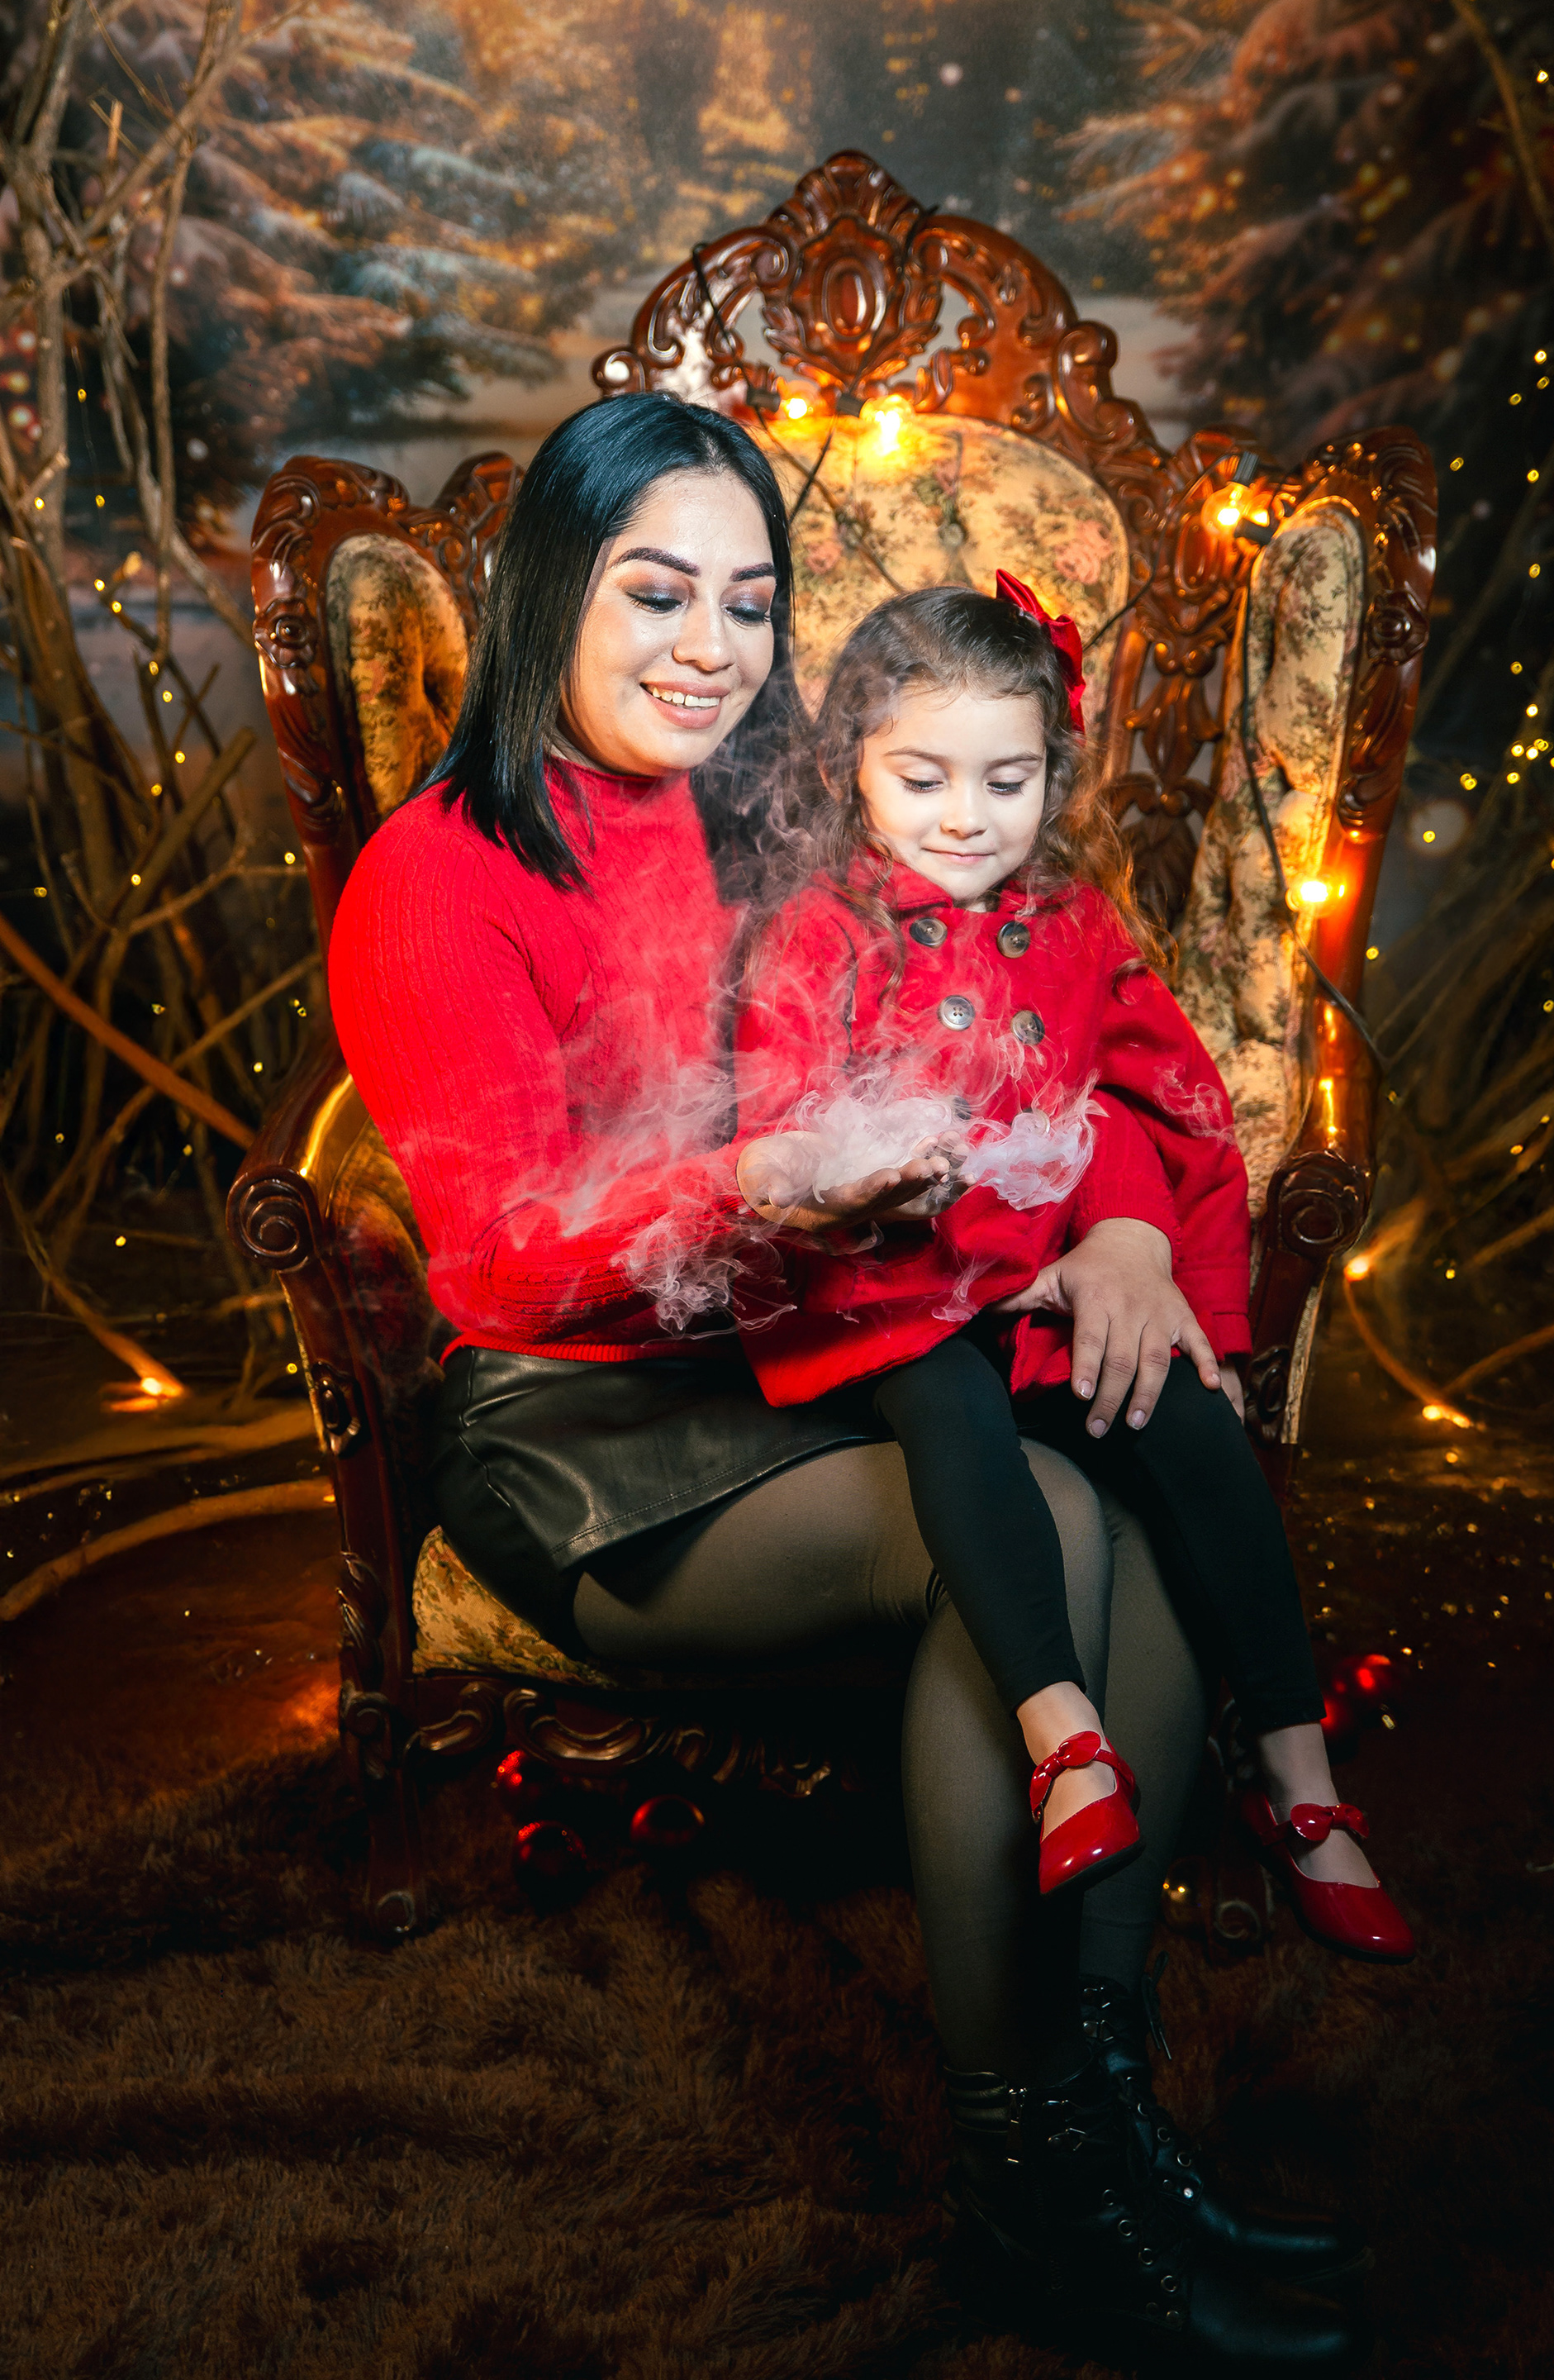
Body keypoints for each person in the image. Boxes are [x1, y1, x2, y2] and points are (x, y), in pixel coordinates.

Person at [327, 391, 1369, 2370]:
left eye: (748, 600)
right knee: (1037, 1520)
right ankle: (1026, 2196)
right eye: (656, 592)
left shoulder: (782, 815)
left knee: (1133, 1463)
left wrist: (1129, 1230)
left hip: (809, 1345)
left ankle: (1103, 2115)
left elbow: (1043, 1018)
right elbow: (498, 1255)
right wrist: (751, 1184)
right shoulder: (437, 873)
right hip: (579, 1421)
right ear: (549, 587)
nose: (709, 646)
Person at [731, 582, 1414, 1966]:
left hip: (1048, 1288)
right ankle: (1065, 1744)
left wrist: (1148, 1262)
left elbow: (1168, 1099)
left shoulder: (1080, 924)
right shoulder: (815, 930)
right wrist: (857, 1176)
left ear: (1055, 771)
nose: (966, 817)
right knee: (950, 1414)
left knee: (1190, 1420)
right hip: (891, 1302)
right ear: (852, 763)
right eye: (922, 777)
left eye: (1008, 780)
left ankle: (1295, 1775)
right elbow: (777, 1135)